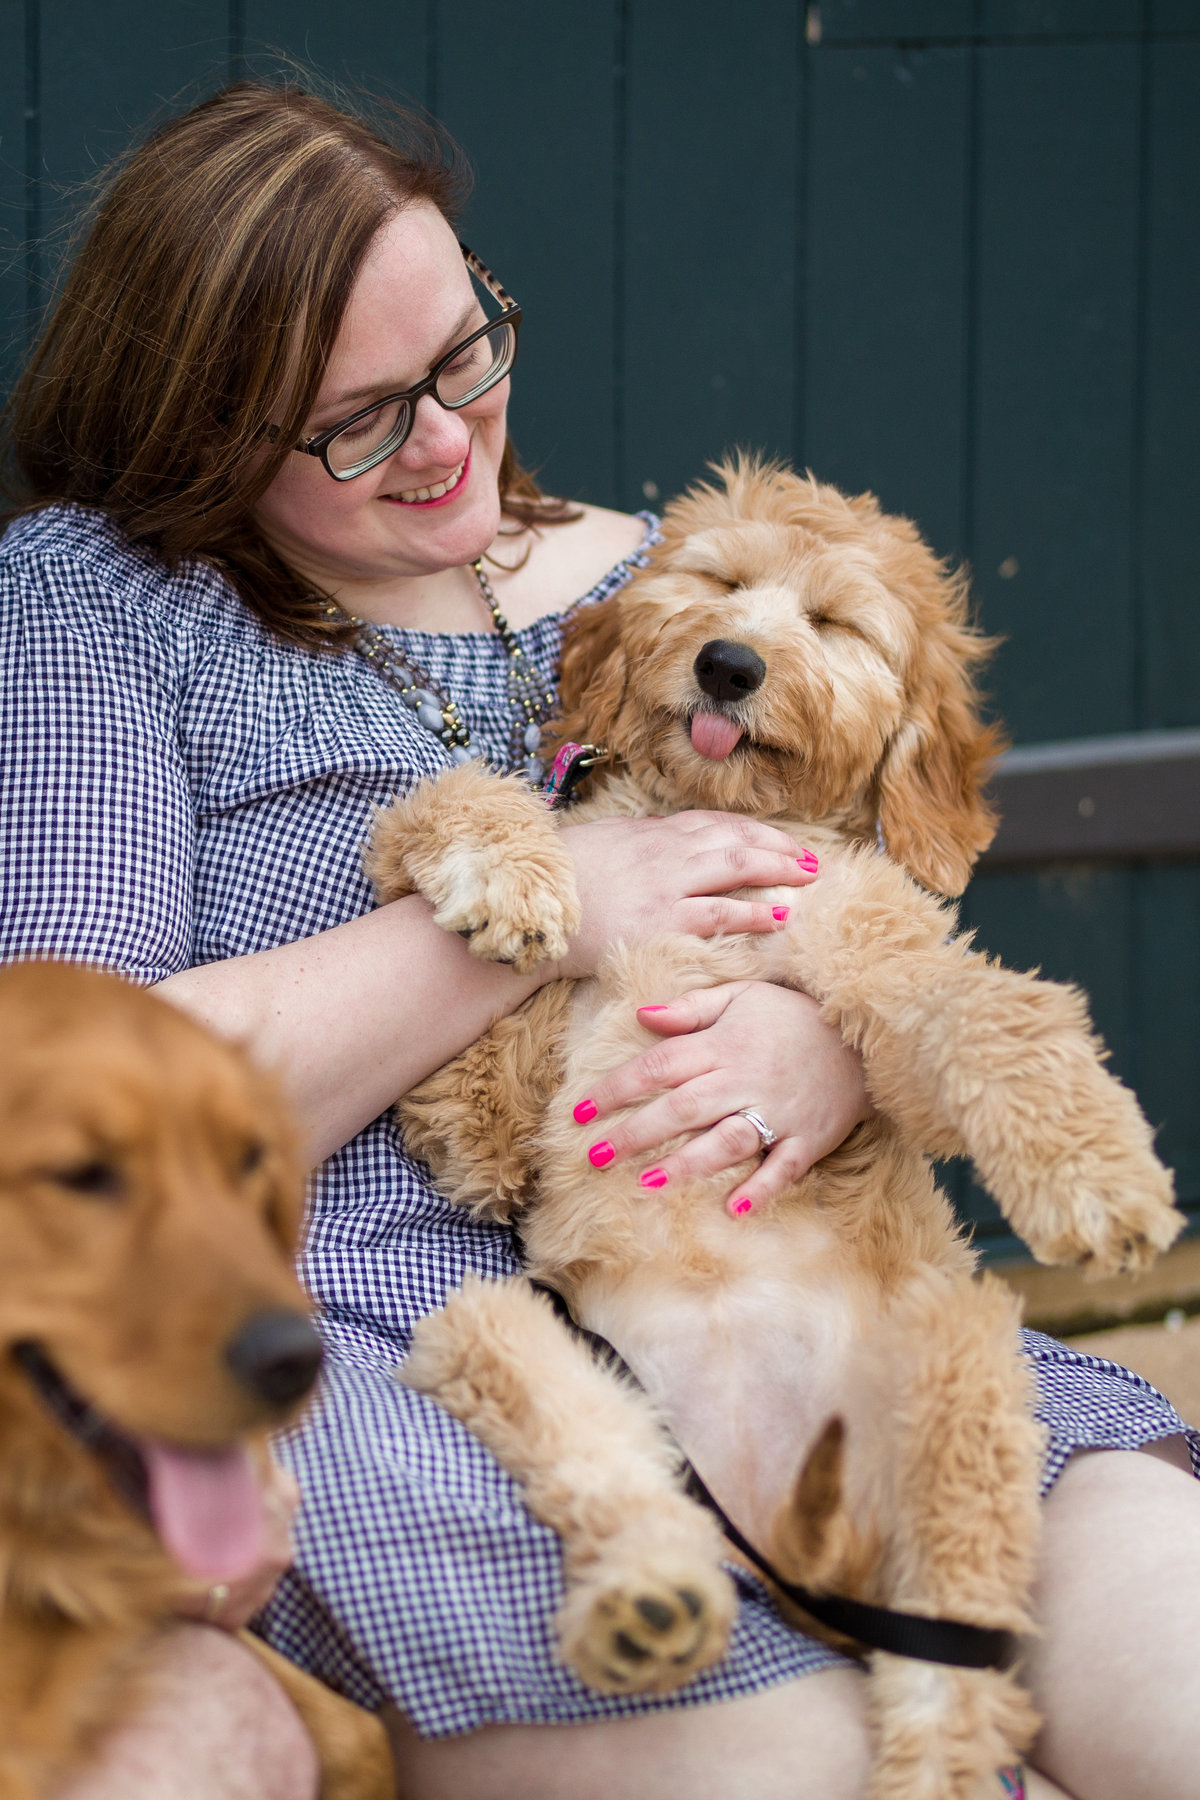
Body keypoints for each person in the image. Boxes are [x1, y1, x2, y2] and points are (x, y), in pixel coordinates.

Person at [2, 81, 1198, 1800]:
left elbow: (878, 900)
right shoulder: (100, 609)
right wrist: (541, 920)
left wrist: (830, 1047)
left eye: (465, 349)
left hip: (816, 1315)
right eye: (354, 423)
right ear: (197, 429)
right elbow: (65, 1082)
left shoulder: (669, 574)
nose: (449, 444)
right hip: (434, 1390)